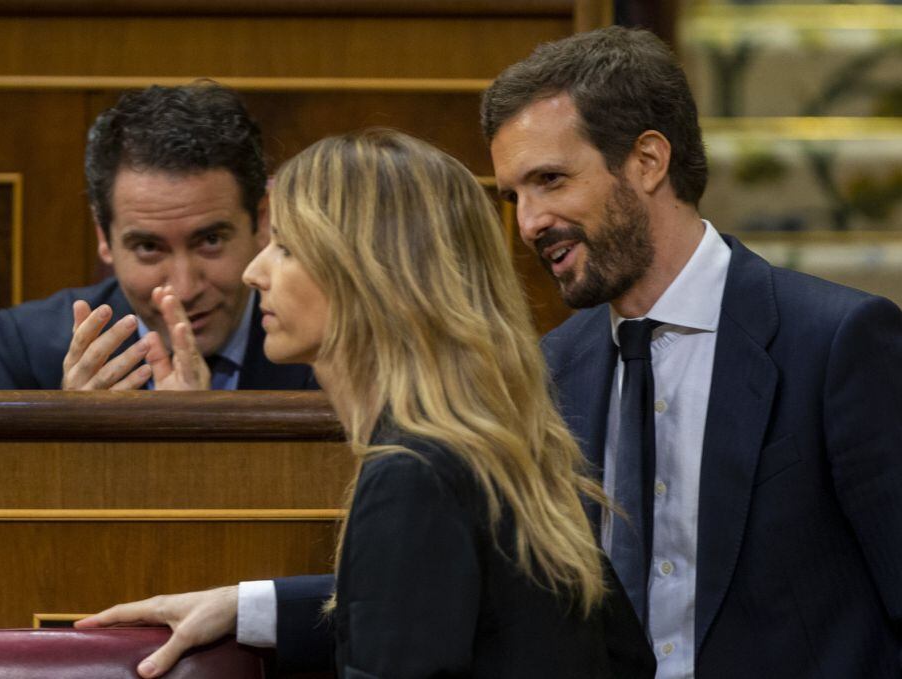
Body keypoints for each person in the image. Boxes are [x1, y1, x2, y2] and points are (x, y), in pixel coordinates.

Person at [76, 129, 656, 679]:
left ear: (365, 273)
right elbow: (621, 657)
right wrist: (246, 606)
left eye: (285, 247)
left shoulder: (411, 473)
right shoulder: (492, 448)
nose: (256, 272)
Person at [482, 26, 901, 679]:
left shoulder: (839, 342)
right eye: (515, 195)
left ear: (648, 161)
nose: (529, 221)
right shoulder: (550, 369)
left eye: (550, 180)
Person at [0, 83, 312, 391]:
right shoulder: (30, 350)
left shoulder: (323, 344)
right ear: (104, 237)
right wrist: (75, 439)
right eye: (149, 247)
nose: (182, 291)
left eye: (211, 240)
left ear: (262, 221)